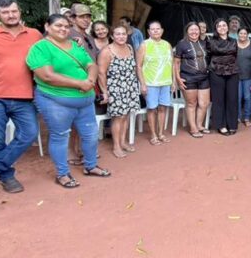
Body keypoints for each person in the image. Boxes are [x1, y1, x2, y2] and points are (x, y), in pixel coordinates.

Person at [27, 13, 111, 188]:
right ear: (47, 27)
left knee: (90, 135)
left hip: (85, 100)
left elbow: (91, 65)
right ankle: (62, 173)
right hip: (56, 101)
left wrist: (90, 81)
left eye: (66, 26)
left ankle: (90, 166)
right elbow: (47, 75)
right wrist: (80, 83)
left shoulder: (75, 45)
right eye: (58, 25)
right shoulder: (40, 47)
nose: (63, 29)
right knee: (60, 136)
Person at [0, 0, 43, 195]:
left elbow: (52, 48)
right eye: (5, 12)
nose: (10, 15)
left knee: (29, 133)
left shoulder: (34, 34)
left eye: (14, 11)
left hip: (24, 95)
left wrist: (75, 40)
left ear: (19, 11)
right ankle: (6, 177)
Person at [97, 25, 141, 158]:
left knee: (126, 115)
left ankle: (123, 142)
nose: (121, 36)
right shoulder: (107, 51)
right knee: (118, 117)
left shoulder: (129, 47)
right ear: (112, 36)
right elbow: (101, 73)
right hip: (115, 88)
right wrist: (105, 92)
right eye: (118, 34)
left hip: (130, 86)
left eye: (123, 34)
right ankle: (116, 146)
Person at [136, 20, 173, 145]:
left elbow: (171, 64)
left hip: (165, 82)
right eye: (153, 29)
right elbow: (139, 66)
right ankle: (153, 135)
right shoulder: (144, 45)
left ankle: (161, 133)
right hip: (151, 83)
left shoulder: (167, 44)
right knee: (152, 109)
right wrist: (143, 84)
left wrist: (173, 81)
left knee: (163, 108)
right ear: (148, 32)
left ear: (162, 30)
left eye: (158, 29)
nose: (156, 31)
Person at [173, 22, 210, 138]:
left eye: (196, 30)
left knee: (204, 103)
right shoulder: (182, 44)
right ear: (187, 31)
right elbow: (176, 62)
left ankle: (199, 125)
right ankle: (193, 128)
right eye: (191, 30)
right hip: (188, 78)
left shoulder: (204, 43)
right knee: (191, 103)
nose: (194, 32)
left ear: (200, 31)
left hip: (204, 77)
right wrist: (178, 78)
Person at [208, 18, 239, 135]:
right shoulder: (211, 41)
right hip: (216, 72)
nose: (222, 27)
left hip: (232, 72)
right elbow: (209, 56)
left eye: (224, 25)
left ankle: (232, 124)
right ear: (216, 29)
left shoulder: (233, 41)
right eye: (219, 26)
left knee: (232, 98)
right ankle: (221, 125)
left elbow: (235, 55)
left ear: (227, 27)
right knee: (218, 99)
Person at [236, 28, 251, 127]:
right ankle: (238, 117)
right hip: (236, 76)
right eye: (241, 33)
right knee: (238, 97)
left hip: (249, 75)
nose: (242, 35)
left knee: (247, 97)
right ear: (237, 34)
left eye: (245, 33)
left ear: (247, 34)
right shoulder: (234, 44)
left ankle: (247, 117)